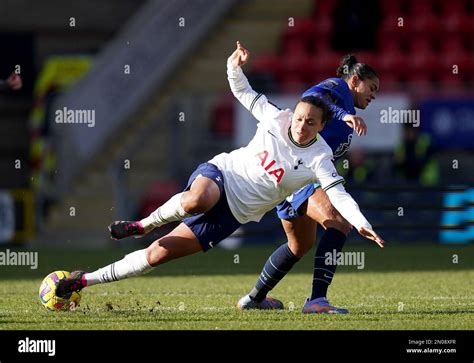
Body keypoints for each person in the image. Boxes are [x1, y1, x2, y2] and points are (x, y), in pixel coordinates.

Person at [56, 42, 384, 305]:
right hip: (224, 175)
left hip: (246, 208)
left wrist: (362, 223)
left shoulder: (320, 156)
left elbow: (339, 191)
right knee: (198, 198)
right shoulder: (292, 111)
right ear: (354, 80)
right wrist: (233, 65)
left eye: (310, 122)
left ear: (320, 125)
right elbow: (307, 97)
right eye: (372, 86)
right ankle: (142, 225)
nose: (301, 125)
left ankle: (84, 279)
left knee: (159, 255)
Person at [236, 53, 381, 314]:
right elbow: (313, 97)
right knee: (338, 222)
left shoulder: (346, 109)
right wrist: (343, 115)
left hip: (298, 177)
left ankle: (254, 298)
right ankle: (317, 300)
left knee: (299, 246)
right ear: (355, 80)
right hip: (300, 173)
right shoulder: (338, 88)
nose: (374, 95)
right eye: (372, 88)